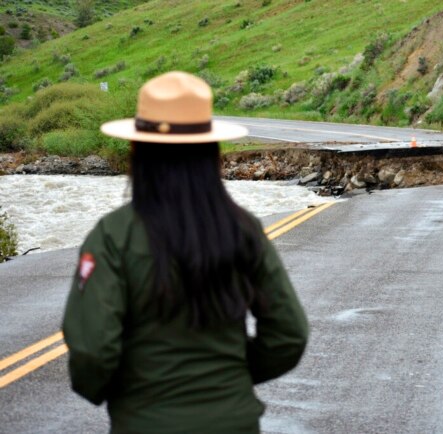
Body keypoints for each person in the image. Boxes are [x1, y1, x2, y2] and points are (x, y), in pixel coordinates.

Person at [62, 71, 309, 434]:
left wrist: (118, 390)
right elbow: (290, 334)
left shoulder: (114, 236)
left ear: (138, 151)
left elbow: (92, 350)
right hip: (235, 421)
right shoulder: (243, 230)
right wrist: (233, 373)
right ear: (212, 152)